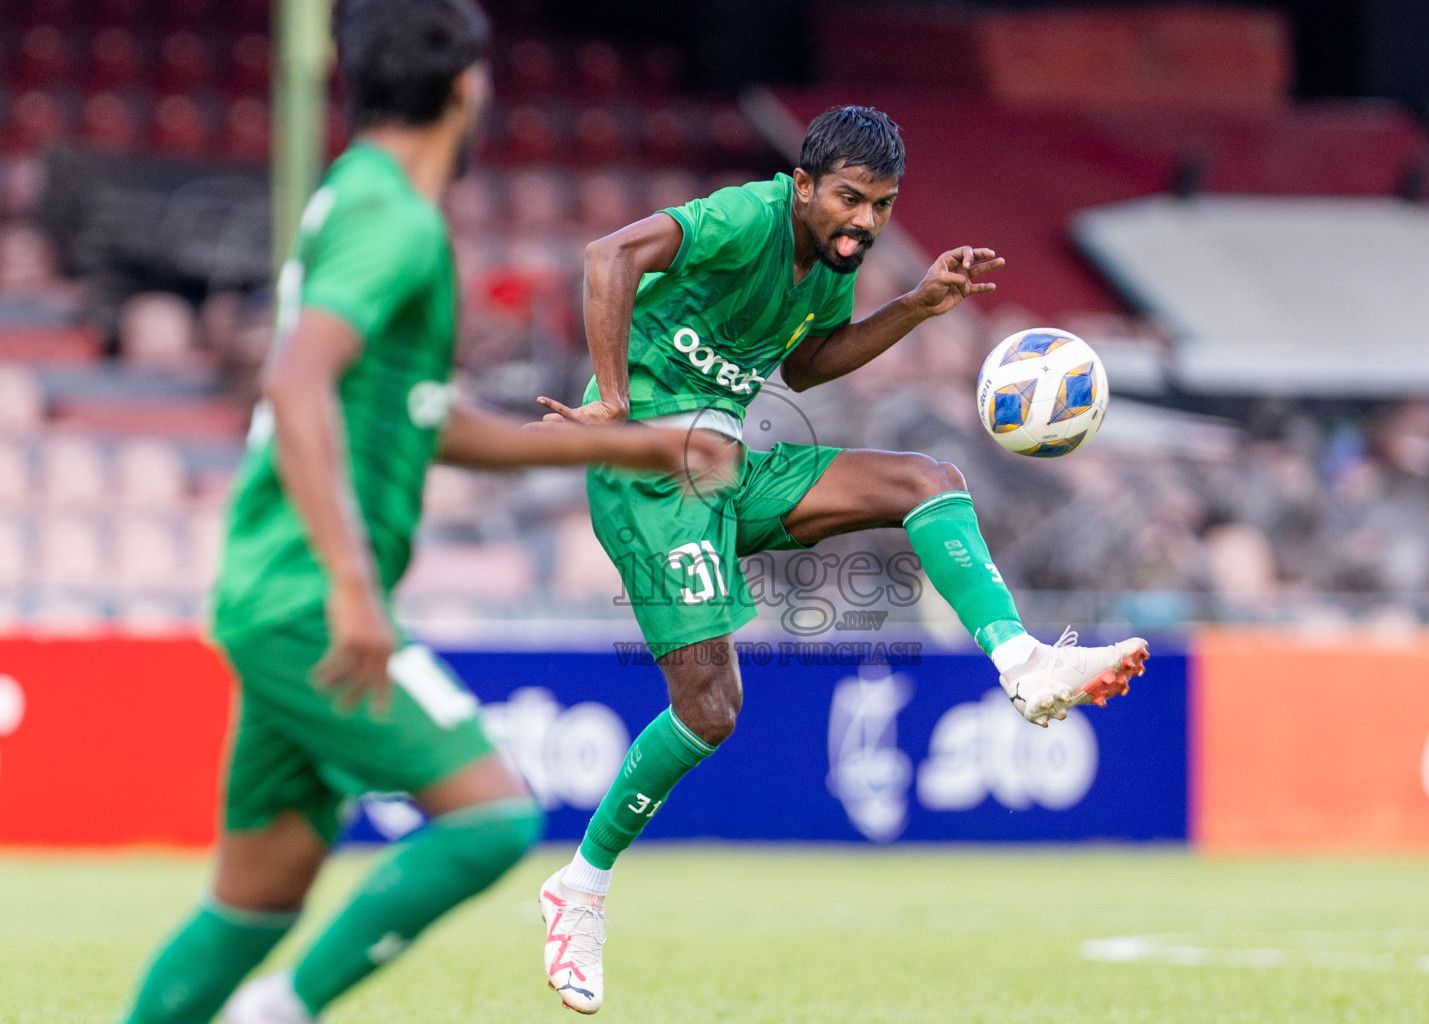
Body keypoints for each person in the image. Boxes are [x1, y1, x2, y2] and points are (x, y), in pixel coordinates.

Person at [116, 3, 731, 1022]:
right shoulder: (393, 220)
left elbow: (421, 419)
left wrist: (638, 441)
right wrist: (355, 589)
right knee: (490, 818)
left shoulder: (361, 199)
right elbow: (298, 379)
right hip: (308, 598)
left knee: (257, 898)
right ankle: (282, 1011)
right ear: (467, 85)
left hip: (275, 591)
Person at [533, 104, 1150, 1014]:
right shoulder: (746, 218)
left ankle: (1024, 665)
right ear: (804, 186)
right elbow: (606, 256)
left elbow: (810, 366)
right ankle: (578, 889)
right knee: (711, 710)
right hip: (647, 476)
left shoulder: (827, 268)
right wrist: (616, 398)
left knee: (925, 480)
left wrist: (916, 305)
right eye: (851, 199)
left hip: (723, 464)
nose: (864, 221)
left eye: (883, 206)